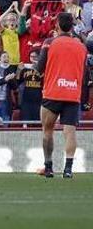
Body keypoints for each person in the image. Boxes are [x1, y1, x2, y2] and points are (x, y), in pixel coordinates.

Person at [37, 12, 87, 179]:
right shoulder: (81, 46)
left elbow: (39, 68)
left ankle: (48, 167)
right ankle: (68, 169)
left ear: (57, 25)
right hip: (72, 93)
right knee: (70, 132)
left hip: (53, 92)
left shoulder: (49, 43)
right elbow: (85, 74)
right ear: (72, 26)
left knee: (47, 130)